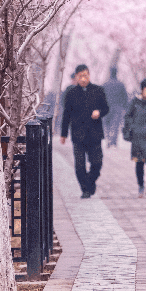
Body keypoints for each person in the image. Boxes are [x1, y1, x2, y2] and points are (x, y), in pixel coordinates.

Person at [60, 64, 109, 199]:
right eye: (80, 76)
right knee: (79, 166)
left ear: (89, 75)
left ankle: (90, 182)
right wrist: (63, 134)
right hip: (78, 135)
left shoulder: (98, 90)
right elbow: (66, 115)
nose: (83, 79)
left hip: (95, 134)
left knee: (97, 163)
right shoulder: (71, 93)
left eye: (85, 76)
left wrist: (99, 112)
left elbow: (106, 108)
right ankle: (85, 189)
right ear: (76, 77)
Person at [103, 66, 129, 148]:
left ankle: (108, 139)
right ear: (116, 73)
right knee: (115, 125)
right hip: (117, 108)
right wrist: (125, 108)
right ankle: (113, 141)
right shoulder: (121, 85)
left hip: (106, 108)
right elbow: (125, 97)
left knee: (107, 125)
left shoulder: (105, 84)